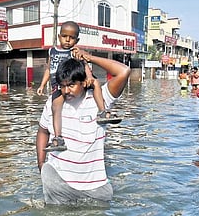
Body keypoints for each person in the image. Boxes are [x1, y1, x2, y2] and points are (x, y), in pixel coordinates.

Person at [36, 52, 131, 205]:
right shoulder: (54, 102)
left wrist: (90, 58)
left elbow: (124, 71)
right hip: (59, 184)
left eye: (71, 85)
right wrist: (41, 165)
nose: (66, 91)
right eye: (63, 86)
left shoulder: (100, 98)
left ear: (83, 82)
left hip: (95, 188)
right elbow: (42, 131)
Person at [36, 21, 119, 152]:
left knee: (96, 83)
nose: (67, 40)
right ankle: (58, 138)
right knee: (55, 108)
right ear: (59, 36)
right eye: (64, 36)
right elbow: (48, 69)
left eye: (72, 37)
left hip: (76, 83)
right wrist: (42, 85)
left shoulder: (75, 51)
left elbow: (84, 64)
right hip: (58, 86)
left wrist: (90, 77)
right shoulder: (52, 51)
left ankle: (103, 111)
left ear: (77, 39)